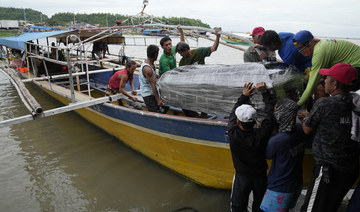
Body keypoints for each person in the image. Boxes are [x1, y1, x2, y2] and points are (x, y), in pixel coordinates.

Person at [297, 63, 359, 212]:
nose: (324, 81)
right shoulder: (355, 103)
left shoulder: (324, 103)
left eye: (326, 78)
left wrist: (307, 118)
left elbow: (306, 130)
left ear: (335, 84)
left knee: (311, 209)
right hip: (349, 169)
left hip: (328, 171)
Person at [227, 81, 276, 212]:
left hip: (242, 176)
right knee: (259, 205)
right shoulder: (262, 134)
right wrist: (265, 93)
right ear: (255, 121)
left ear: (238, 122)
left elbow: (233, 113)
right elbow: (270, 114)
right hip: (260, 176)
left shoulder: (232, 133)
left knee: (238, 205)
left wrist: (244, 95)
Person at [260, 98, 306, 212]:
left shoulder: (277, 140)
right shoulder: (301, 130)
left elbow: (268, 155)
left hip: (279, 188)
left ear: (281, 114)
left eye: (277, 111)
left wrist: (264, 131)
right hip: (296, 183)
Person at [293, 30, 360, 106]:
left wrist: (298, 104)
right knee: (322, 80)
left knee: (320, 86)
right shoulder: (320, 44)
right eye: (297, 49)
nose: (300, 51)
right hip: (351, 66)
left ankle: (324, 112)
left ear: (310, 43)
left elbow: (312, 82)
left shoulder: (319, 52)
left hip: (357, 69)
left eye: (301, 48)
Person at [139, 44, 167, 113]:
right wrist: (158, 100)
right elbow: (153, 85)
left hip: (151, 92)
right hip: (148, 94)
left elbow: (151, 77)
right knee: (156, 112)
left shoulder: (150, 63)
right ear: (155, 54)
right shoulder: (147, 69)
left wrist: (156, 75)